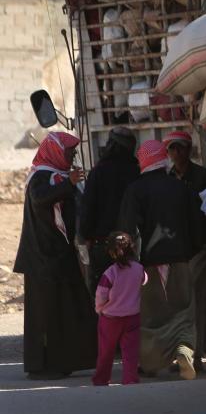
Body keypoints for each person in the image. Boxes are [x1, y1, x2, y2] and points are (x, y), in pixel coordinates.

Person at [118, 139, 206, 379]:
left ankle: (151, 363)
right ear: (163, 159)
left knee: (151, 315)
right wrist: (192, 251)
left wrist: (127, 262)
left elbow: (127, 230)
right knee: (183, 309)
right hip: (179, 259)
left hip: (148, 264)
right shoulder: (181, 188)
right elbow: (197, 226)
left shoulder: (134, 190)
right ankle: (183, 348)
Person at [14, 132, 97, 379]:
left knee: (66, 312)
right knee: (46, 316)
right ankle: (43, 367)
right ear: (56, 152)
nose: (72, 158)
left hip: (59, 258)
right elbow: (41, 199)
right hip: (42, 259)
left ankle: (63, 361)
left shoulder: (56, 177)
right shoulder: (40, 177)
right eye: (69, 153)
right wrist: (68, 184)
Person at [163, 130, 206, 372]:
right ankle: (181, 353)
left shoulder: (203, 176)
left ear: (188, 149)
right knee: (178, 303)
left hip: (198, 248)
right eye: (173, 148)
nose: (177, 153)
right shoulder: (167, 178)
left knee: (196, 303)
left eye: (180, 148)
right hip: (176, 250)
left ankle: (195, 355)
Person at [78, 127, 140, 295]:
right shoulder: (136, 171)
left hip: (102, 247)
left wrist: (85, 236)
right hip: (130, 247)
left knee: (103, 296)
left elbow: (88, 209)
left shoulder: (99, 172)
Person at [92, 232, 146, 386]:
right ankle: (130, 379)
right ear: (132, 248)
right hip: (133, 317)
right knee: (130, 352)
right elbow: (144, 281)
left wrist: (100, 309)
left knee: (106, 352)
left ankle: (101, 379)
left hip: (110, 319)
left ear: (110, 252)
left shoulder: (110, 273)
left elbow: (101, 295)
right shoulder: (139, 269)